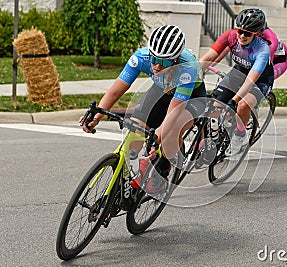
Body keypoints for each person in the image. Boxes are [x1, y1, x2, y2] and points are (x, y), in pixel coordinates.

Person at [81, 25, 206, 193]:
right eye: (154, 59)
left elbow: (174, 111)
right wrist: (96, 116)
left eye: (164, 61)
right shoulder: (141, 57)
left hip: (191, 98)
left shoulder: (188, 68)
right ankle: (124, 183)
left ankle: (162, 168)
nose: (156, 66)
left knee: (171, 131)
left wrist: (157, 138)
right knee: (134, 129)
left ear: (175, 59)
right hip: (162, 89)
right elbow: (116, 91)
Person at [200, 8, 274, 156]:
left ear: (257, 33)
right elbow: (207, 59)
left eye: (247, 33)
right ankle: (212, 140)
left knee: (242, 105)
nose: (241, 35)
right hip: (239, 72)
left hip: (260, 80)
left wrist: (234, 100)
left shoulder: (262, 50)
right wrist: (195, 75)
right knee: (215, 105)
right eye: (239, 30)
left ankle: (240, 136)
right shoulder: (231, 36)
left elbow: (250, 80)